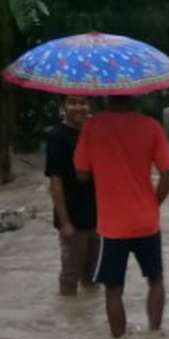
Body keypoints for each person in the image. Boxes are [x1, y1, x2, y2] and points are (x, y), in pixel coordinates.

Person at [74, 95, 169, 338]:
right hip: (147, 222)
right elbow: (167, 178)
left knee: (113, 290)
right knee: (156, 280)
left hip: (112, 226)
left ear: (106, 96)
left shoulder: (93, 126)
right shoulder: (151, 126)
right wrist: (153, 204)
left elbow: (81, 174)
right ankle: (155, 335)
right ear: (135, 95)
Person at [44, 95, 98, 296]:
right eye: (72, 102)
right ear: (63, 106)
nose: (78, 107)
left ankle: (86, 313)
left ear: (89, 105)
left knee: (94, 277)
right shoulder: (57, 137)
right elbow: (55, 182)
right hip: (72, 217)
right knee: (70, 276)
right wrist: (65, 222)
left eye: (83, 102)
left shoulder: (94, 133)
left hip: (97, 215)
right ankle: (68, 311)